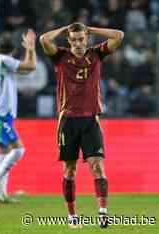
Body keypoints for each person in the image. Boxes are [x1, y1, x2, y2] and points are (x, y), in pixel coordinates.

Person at [39, 22, 124, 228]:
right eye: (74, 39)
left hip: (90, 119)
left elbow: (118, 35)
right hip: (67, 120)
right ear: (69, 41)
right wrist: (66, 28)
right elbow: (43, 40)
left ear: (86, 39)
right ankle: (72, 216)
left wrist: (90, 29)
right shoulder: (60, 57)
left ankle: (103, 212)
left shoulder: (96, 55)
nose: (78, 43)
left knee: (97, 166)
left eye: (81, 39)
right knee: (69, 170)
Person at [0, 30, 36, 204]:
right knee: (19, 149)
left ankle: (0, 194)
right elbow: (31, 67)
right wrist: (31, 48)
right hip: (0, 116)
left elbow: (25, 70)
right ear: (13, 49)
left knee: (3, 151)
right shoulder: (3, 60)